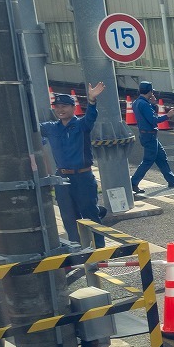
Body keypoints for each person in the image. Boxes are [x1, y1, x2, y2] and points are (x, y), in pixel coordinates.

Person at [40, 86, 108, 244]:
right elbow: (30, 127)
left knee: (90, 215)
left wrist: (91, 100)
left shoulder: (81, 125)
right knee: (68, 217)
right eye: (57, 107)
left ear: (73, 107)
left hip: (83, 177)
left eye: (64, 106)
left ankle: (100, 249)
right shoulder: (51, 128)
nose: (60, 110)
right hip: (62, 178)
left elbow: (91, 117)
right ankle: (77, 249)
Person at [130, 82, 174, 194]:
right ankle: (133, 182)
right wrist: (167, 116)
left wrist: (153, 104)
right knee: (148, 161)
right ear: (150, 91)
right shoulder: (144, 104)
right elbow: (153, 120)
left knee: (161, 157)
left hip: (147, 135)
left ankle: (171, 179)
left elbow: (148, 115)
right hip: (149, 135)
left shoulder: (137, 102)